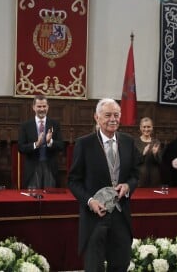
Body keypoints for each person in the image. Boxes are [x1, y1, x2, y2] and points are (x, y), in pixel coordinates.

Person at [68, 98, 139, 272]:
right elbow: (73, 181)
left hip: (121, 216)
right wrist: (90, 201)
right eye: (108, 115)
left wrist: (128, 186)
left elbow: (136, 174)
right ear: (97, 117)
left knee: (121, 264)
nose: (113, 119)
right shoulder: (84, 143)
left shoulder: (128, 142)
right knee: (94, 266)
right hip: (95, 217)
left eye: (116, 115)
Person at [18, 95, 64, 189]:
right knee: (32, 198)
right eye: (39, 106)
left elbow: (61, 145)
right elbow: (21, 148)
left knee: (50, 199)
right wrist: (36, 144)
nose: (42, 109)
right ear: (33, 107)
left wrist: (50, 141)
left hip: (50, 167)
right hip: (33, 168)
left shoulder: (55, 124)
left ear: (48, 107)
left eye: (44, 106)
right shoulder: (25, 126)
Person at [134, 117, 162, 187]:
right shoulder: (135, 142)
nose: (146, 129)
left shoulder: (156, 142)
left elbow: (160, 162)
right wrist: (143, 153)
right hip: (140, 178)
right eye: (144, 127)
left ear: (152, 128)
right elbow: (133, 162)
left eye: (148, 127)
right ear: (140, 128)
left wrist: (155, 154)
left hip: (154, 178)